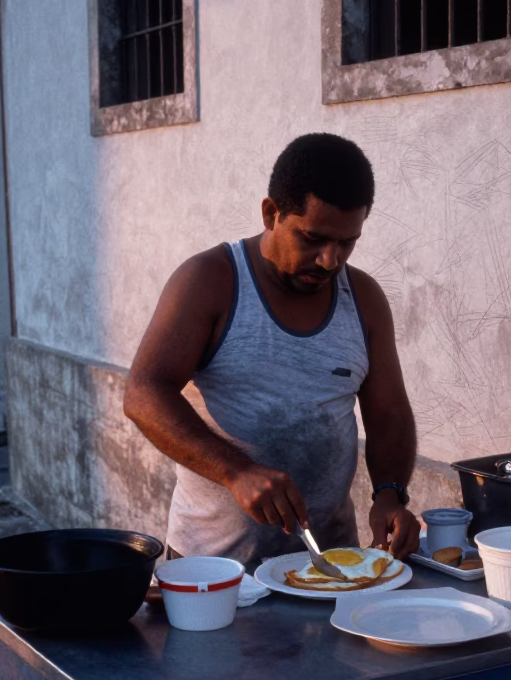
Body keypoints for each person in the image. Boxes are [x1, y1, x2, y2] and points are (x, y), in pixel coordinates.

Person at [124, 133, 421, 565]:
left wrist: (390, 495)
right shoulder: (210, 281)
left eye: (347, 242)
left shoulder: (365, 299)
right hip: (216, 571)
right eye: (313, 238)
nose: (330, 260)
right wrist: (236, 471)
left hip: (332, 567)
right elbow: (144, 392)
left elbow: (390, 412)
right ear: (271, 213)